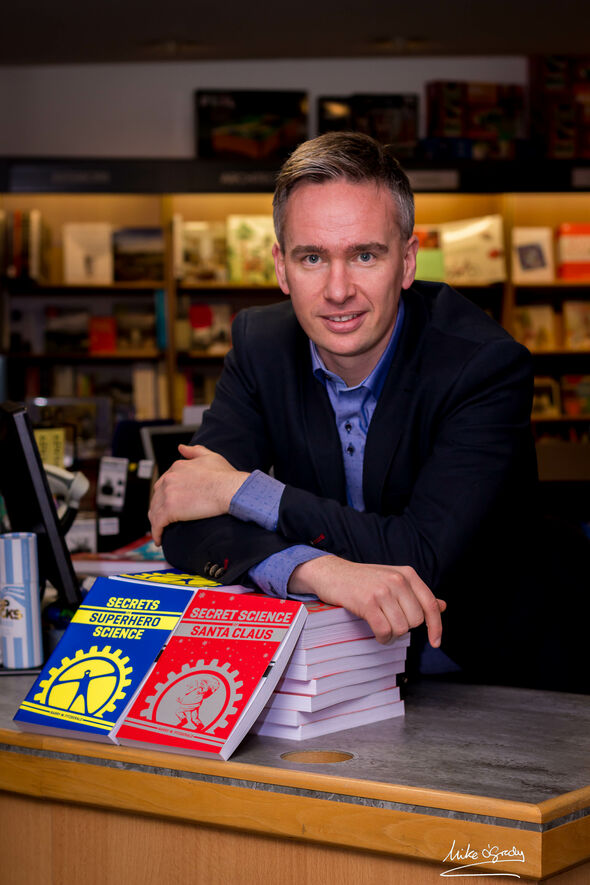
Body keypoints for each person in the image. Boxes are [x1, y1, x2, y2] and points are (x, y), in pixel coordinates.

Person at [149, 132, 588, 693]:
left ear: (406, 261)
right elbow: (184, 516)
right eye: (312, 257)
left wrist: (239, 492)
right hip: (336, 672)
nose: (338, 290)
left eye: (364, 255)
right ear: (281, 268)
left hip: (491, 675)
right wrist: (316, 571)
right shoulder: (260, 345)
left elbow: (420, 558)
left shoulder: (483, 366)